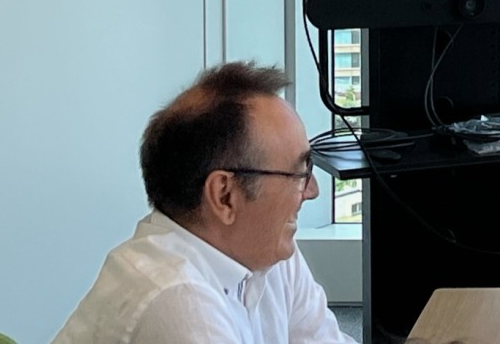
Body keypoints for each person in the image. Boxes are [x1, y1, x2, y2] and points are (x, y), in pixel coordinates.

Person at [54, 62, 353, 344]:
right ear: (225, 196)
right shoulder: (177, 300)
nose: (312, 190)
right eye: (299, 173)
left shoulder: (266, 250)